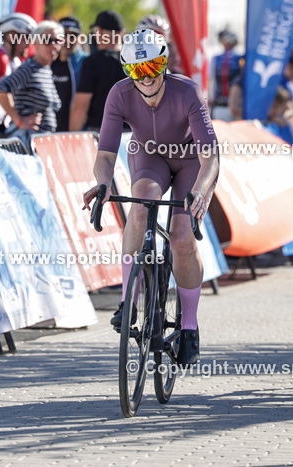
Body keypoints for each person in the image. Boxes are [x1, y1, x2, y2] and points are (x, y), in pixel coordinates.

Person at [81, 29, 219, 367]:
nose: (145, 79)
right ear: (127, 71)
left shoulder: (186, 91)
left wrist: (201, 191)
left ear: (164, 64)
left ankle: (189, 326)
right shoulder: (119, 94)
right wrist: (102, 183)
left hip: (189, 161)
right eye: (136, 71)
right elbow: (105, 154)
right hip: (149, 157)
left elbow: (210, 156)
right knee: (140, 201)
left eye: (152, 67)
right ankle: (128, 301)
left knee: (181, 237)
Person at [0, 21, 64, 148]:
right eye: (47, 40)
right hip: (28, 142)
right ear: (36, 43)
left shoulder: (45, 69)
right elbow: (0, 89)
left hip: (42, 142)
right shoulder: (30, 68)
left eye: (57, 40)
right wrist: (19, 121)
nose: (53, 46)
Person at [70, 10, 125, 131]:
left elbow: (80, 109)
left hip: (101, 135)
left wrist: (72, 142)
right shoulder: (136, 61)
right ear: (122, 33)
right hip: (133, 137)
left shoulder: (92, 62)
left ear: (98, 31)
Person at [53, 20, 79, 132]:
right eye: (63, 35)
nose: (67, 40)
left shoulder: (86, 63)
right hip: (45, 134)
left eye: (73, 35)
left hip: (73, 134)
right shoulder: (46, 62)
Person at [211, 29, 242, 120]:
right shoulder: (241, 58)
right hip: (237, 106)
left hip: (220, 106)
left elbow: (211, 82)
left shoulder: (216, 59)